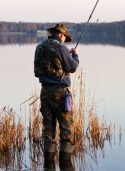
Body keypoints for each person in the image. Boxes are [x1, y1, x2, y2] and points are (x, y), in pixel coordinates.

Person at [34, 23, 79, 170]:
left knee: (48, 129)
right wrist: (75, 56)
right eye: (64, 37)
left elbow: (37, 71)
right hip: (61, 93)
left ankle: (48, 163)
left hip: (45, 92)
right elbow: (72, 67)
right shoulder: (61, 48)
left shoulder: (39, 48)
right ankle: (66, 164)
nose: (64, 39)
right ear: (60, 34)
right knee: (66, 129)